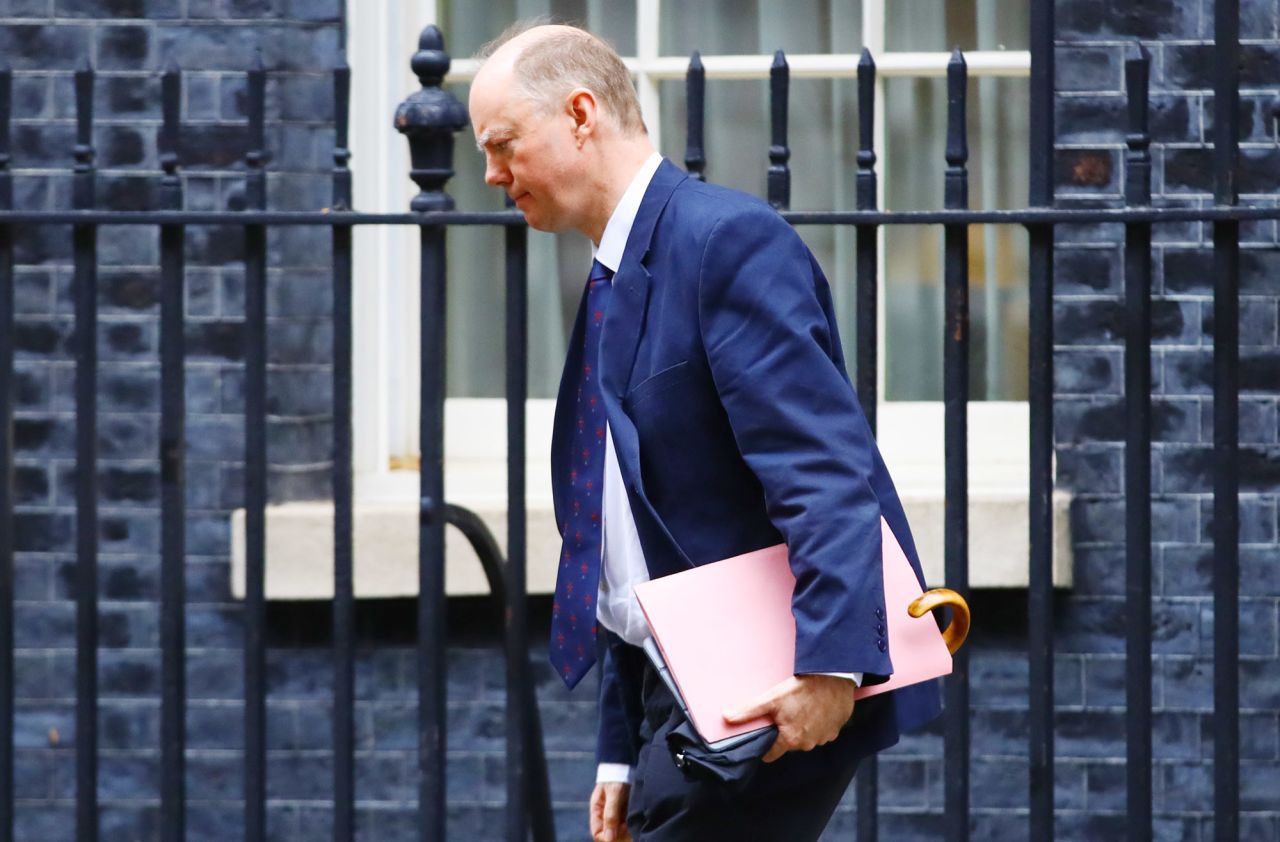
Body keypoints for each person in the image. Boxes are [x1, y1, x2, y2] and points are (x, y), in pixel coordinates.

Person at [469, 21, 941, 842]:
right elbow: (624, 535)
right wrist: (619, 751)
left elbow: (822, 469)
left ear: (581, 114)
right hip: (677, 698)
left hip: (766, 697)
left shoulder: (723, 242)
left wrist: (830, 672)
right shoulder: (616, 275)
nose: (490, 173)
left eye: (504, 143)